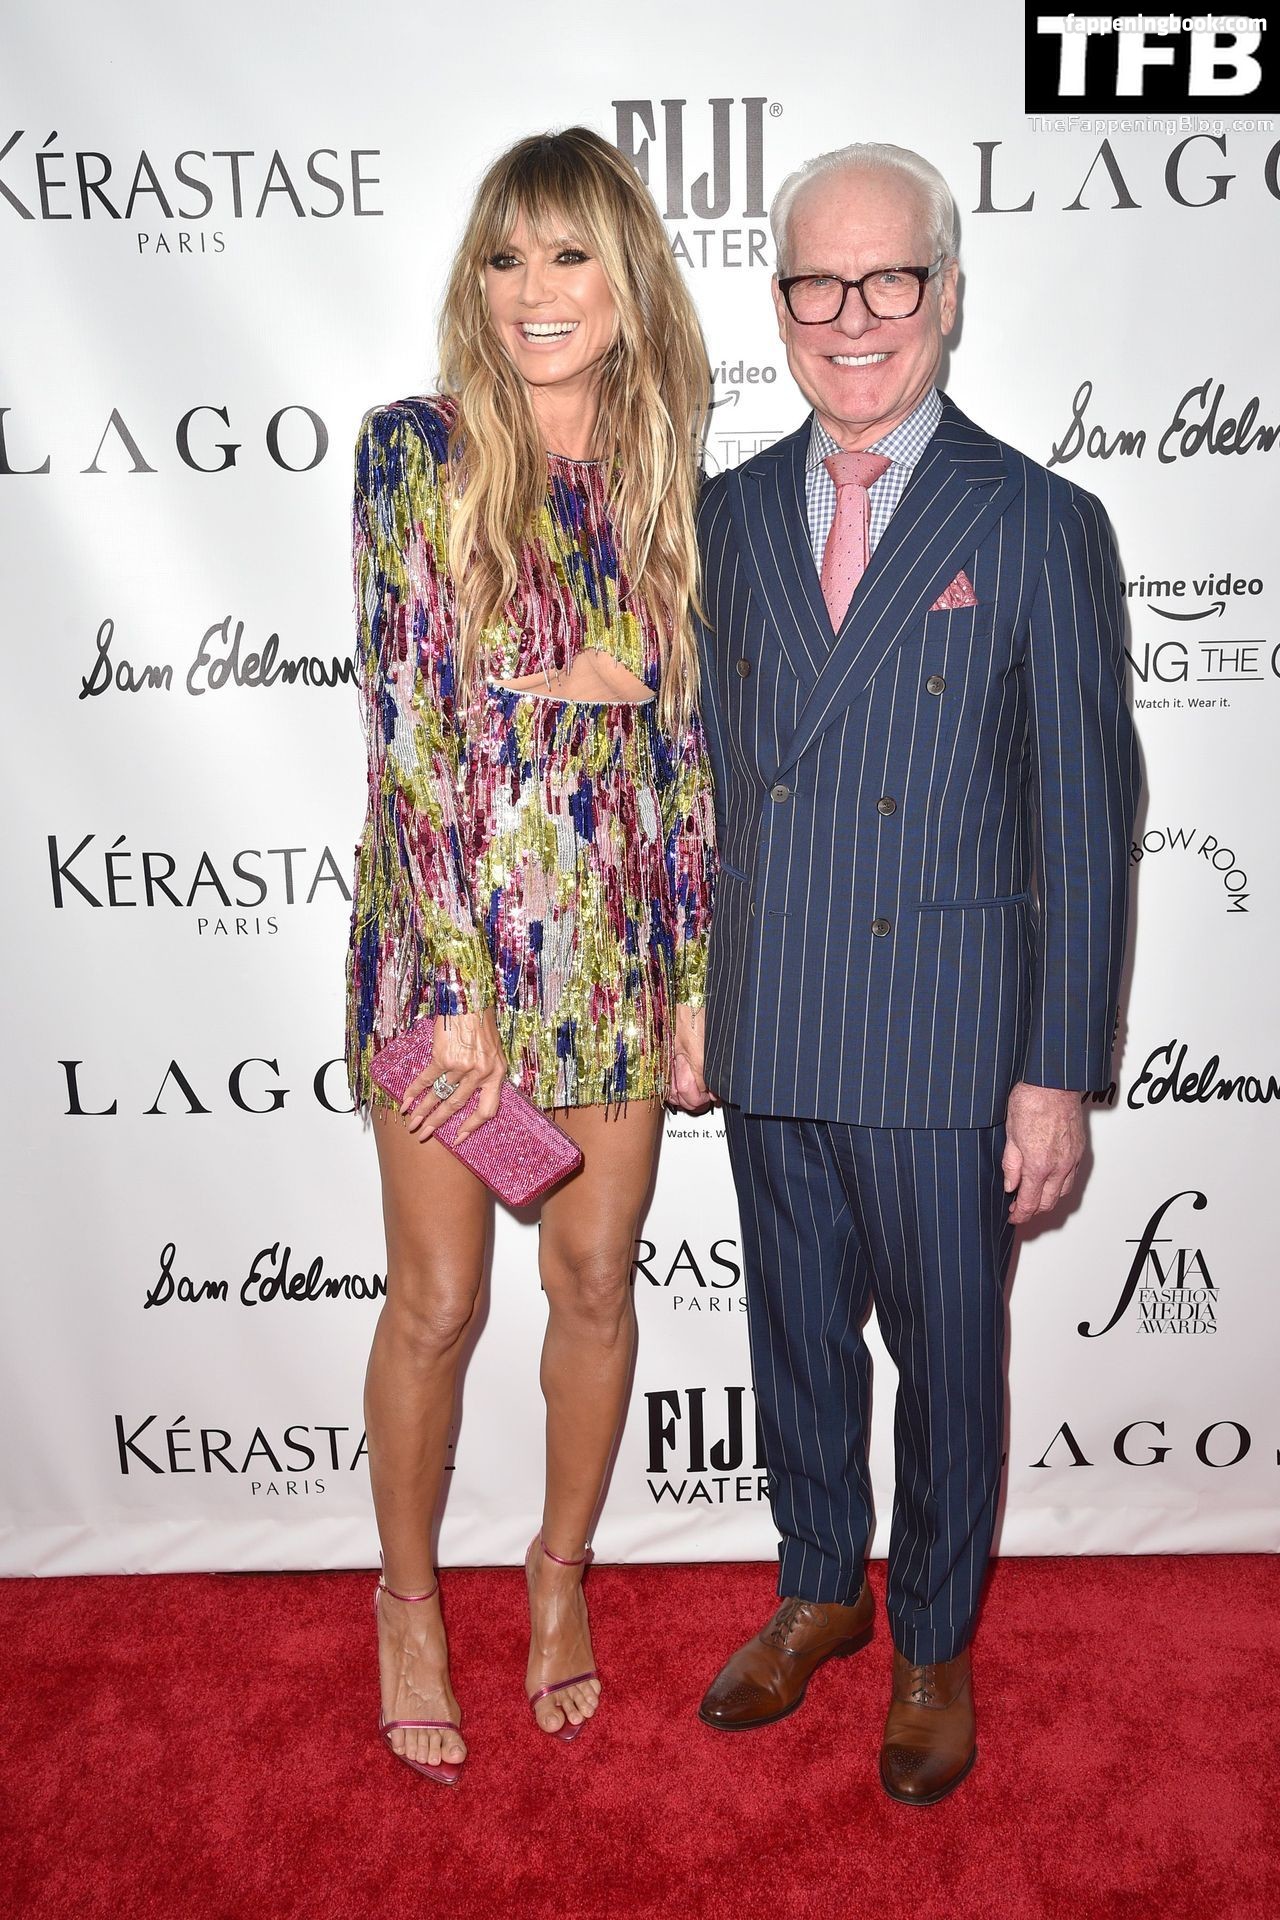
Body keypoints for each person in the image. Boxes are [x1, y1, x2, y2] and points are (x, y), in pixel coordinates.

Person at [693, 142, 1139, 1804]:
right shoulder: (728, 514)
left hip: (949, 1042)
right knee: (796, 1342)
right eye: (819, 283)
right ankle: (821, 1587)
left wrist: (1057, 1070)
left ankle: (934, 1639)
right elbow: (702, 781)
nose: (853, 316)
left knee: (950, 1371)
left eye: (889, 279)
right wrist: (689, 995)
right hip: (775, 1015)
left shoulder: (1038, 521)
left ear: (946, 295)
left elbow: (1087, 814)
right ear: (781, 305)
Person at [344, 127, 715, 1786]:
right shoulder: (414, 450)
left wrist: (690, 977)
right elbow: (411, 731)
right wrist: (454, 993)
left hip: (616, 958)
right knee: (437, 1301)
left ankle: (558, 1574)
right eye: (507, 256)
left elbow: (680, 748)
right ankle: (408, 1601)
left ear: (627, 281)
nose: (535, 290)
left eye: (570, 255)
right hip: (450, 967)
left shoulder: (663, 483)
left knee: (593, 1285)